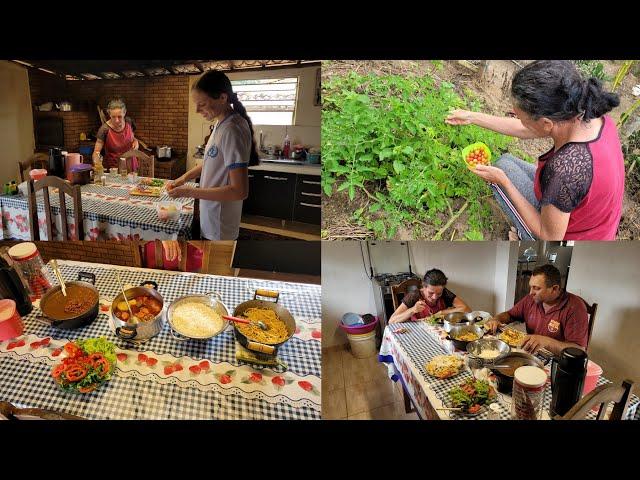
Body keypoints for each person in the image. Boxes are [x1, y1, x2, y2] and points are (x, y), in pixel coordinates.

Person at [446, 60, 624, 241]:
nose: (520, 121)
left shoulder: (566, 171)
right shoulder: (589, 115)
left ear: (547, 123)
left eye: (522, 118)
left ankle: (525, 237)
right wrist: (471, 116)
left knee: (503, 175)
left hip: (568, 240)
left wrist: (504, 182)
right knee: (505, 162)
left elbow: (550, 237)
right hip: (593, 219)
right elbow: (525, 129)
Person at [166, 71, 258, 240]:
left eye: (202, 104)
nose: (196, 110)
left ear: (222, 98)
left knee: (216, 265)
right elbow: (211, 162)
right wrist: (184, 178)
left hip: (221, 225)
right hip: (212, 217)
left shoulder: (232, 130)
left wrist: (191, 192)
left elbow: (240, 191)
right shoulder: (220, 124)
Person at [485, 264, 589, 355]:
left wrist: (546, 341)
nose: (531, 293)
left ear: (554, 289)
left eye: (537, 288)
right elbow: (510, 314)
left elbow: (579, 350)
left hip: (558, 360)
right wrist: (496, 319)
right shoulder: (531, 299)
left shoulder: (575, 307)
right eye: (531, 287)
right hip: (532, 352)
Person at [388, 269, 471, 324]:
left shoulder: (445, 293)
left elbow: (467, 309)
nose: (435, 297)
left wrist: (441, 313)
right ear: (424, 287)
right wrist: (413, 310)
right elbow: (392, 321)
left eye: (439, 293)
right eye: (431, 293)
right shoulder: (414, 296)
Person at [92, 98, 139, 171]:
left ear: (125, 112)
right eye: (113, 117)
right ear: (109, 114)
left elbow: (132, 138)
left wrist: (136, 142)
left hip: (131, 166)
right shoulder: (104, 129)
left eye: (119, 117)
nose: (116, 120)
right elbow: (96, 152)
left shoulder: (129, 122)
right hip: (114, 169)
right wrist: (97, 163)